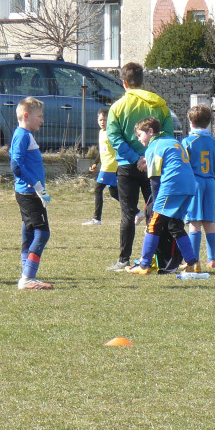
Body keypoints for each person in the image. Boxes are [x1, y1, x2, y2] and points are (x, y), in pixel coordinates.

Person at [105, 63, 173, 271]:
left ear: (124, 82)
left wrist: (135, 158)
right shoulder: (159, 104)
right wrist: (148, 157)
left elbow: (114, 137)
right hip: (155, 165)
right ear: (143, 81)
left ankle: (124, 259)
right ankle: (162, 259)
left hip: (127, 165)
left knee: (127, 213)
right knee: (158, 212)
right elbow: (167, 134)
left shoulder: (117, 107)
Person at [125, 117, 202, 275]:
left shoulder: (154, 147)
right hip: (189, 185)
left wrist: (154, 206)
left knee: (153, 224)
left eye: (140, 135)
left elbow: (155, 180)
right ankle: (192, 262)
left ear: (150, 131)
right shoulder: (171, 141)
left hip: (172, 186)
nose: (139, 140)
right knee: (175, 225)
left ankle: (144, 265)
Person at [10, 97, 53, 290]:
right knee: (42, 233)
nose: (42, 120)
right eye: (40, 116)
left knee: (28, 229)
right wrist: (36, 186)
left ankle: (25, 271)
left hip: (26, 192)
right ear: (26, 116)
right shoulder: (23, 135)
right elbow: (16, 165)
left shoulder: (23, 134)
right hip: (29, 192)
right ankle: (27, 277)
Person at [182, 104, 215, 267]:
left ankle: (193, 259)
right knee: (209, 222)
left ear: (191, 123)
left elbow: (183, 166)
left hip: (195, 183)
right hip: (211, 182)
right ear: (209, 123)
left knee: (194, 221)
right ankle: (211, 259)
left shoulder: (187, 141)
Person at [83, 108, 118, 226]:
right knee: (114, 193)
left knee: (98, 189)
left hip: (110, 165)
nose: (102, 122)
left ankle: (96, 219)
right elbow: (102, 151)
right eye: (100, 119)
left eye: (105, 120)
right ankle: (135, 211)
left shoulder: (110, 133)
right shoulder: (101, 132)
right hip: (106, 165)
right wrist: (95, 162)